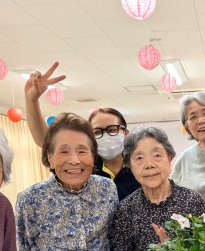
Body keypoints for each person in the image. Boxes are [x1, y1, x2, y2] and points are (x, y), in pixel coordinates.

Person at [16, 113, 121, 251]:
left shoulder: (107, 189)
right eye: (64, 151)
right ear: (50, 158)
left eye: (82, 151)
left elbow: (111, 237)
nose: (74, 160)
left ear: (93, 156)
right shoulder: (31, 199)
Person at [24, 62, 140, 201]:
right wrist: (32, 100)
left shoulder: (140, 165)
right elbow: (45, 140)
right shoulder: (84, 166)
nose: (106, 136)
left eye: (112, 130)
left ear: (125, 133)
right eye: (97, 132)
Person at [111, 126, 205, 251]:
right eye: (139, 158)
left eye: (157, 155)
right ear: (130, 166)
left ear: (170, 159)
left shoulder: (191, 200)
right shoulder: (126, 208)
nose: (149, 164)